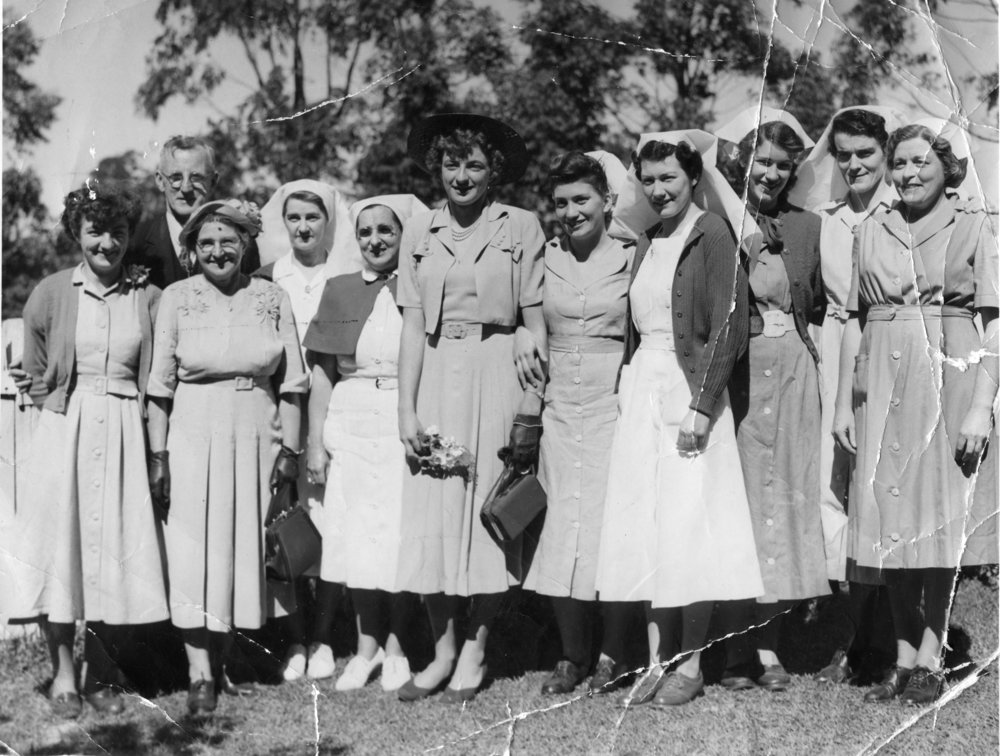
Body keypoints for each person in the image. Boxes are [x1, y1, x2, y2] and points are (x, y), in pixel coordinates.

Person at [594, 130, 763, 707]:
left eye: (670, 177)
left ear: (693, 177)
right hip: (643, 386)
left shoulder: (711, 232)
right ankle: (654, 657)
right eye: (649, 178)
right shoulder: (647, 240)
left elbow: (730, 325)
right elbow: (635, 327)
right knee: (646, 524)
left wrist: (702, 403)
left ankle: (690, 661)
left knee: (688, 524)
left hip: (689, 391)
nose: (659, 189)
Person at [833, 124, 998, 705]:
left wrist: (982, 406)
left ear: (945, 165)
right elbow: (854, 318)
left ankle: (932, 657)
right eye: (899, 163)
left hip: (946, 376)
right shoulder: (871, 226)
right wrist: (844, 405)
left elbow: (996, 321)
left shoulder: (974, 223)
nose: (908, 173)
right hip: (880, 378)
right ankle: (903, 658)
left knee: (936, 521)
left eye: (921, 162)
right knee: (890, 521)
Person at [395, 113, 547, 702]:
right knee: (435, 514)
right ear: (437, 168)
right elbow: (411, 329)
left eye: (475, 165)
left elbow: (534, 322)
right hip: (435, 373)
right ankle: (441, 651)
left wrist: (529, 406)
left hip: (496, 370)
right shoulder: (420, 231)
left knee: (490, 510)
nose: (462, 176)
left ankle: (478, 649)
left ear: (494, 173)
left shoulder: (521, 226)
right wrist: (405, 412)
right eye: (452, 164)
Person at [146, 199, 307, 716]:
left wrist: (291, 450)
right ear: (192, 250)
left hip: (256, 430)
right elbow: (159, 388)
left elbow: (295, 383)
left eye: (228, 240)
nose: (218, 251)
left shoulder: (271, 296)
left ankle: (226, 659)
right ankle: (199, 674)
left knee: (242, 546)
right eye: (206, 242)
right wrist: (159, 456)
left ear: (245, 245)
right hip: (192, 431)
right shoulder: (175, 297)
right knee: (195, 553)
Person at [19, 185, 170, 718]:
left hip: (127, 427)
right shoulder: (54, 291)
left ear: (130, 237)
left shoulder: (146, 295)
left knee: (114, 557)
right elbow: (34, 365)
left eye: (118, 232)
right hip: (67, 430)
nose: (107, 242)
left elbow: (156, 376)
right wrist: (52, 402)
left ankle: (102, 672)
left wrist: (155, 453)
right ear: (76, 234)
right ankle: (63, 672)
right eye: (95, 231)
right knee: (60, 554)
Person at [510, 152, 634, 696]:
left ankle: (613, 654)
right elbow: (530, 326)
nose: (570, 212)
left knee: (610, 530)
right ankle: (571, 654)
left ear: (607, 201)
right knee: (562, 529)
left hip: (615, 406)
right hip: (560, 406)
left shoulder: (635, 255)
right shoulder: (545, 257)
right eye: (561, 203)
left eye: (581, 199)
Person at [714, 116, 831, 692]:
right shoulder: (717, 219)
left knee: (783, 504)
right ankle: (733, 649)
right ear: (742, 162)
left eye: (783, 166)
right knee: (739, 505)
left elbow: (823, 305)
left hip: (793, 374)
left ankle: (769, 649)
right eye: (762, 161)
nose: (772, 173)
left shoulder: (808, 227)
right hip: (739, 372)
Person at [790, 107, 905, 685]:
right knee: (828, 497)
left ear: (885, 150)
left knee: (879, 498)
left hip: (888, 354)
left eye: (866, 152)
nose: (855, 163)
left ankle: (890, 644)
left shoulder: (906, 208)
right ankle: (857, 638)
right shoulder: (826, 220)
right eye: (844, 153)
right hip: (831, 356)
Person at [302, 194, 428, 692]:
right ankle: (365, 647)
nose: (375, 240)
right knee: (354, 539)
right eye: (365, 232)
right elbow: (322, 376)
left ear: (405, 234)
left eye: (386, 231)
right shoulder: (340, 289)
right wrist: (316, 442)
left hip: (400, 417)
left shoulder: (420, 286)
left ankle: (397, 648)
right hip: (350, 419)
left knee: (394, 536)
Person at [254, 180, 362, 681]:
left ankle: (323, 636)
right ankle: (294, 637)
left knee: (329, 521)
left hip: (333, 408)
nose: (302, 227)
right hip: (277, 411)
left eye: (312, 218)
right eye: (293, 218)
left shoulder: (345, 278)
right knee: (284, 519)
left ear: (328, 224)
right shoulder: (267, 277)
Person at [127, 135, 260, 289]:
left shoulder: (241, 243)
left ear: (213, 181)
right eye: (175, 177)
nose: (186, 188)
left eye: (196, 177)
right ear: (159, 180)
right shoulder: (136, 240)